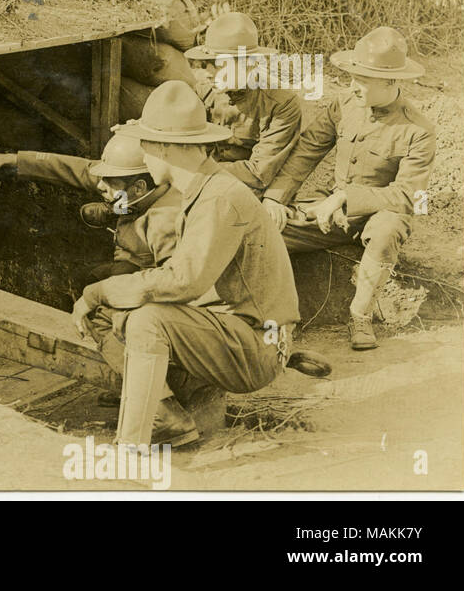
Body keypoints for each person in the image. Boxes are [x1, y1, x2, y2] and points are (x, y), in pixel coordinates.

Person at [72, 81, 301, 448]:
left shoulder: (219, 198)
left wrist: (97, 291)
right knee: (122, 311)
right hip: (242, 331)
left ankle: (131, 446)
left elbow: (183, 281)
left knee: (147, 319)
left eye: (145, 147)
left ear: (164, 147)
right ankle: (168, 414)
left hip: (259, 346)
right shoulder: (205, 189)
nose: (143, 157)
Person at [261, 27, 436, 350]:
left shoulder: (418, 130)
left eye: (362, 81)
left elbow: (411, 196)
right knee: (265, 228)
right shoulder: (343, 106)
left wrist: (344, 196)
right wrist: (274, 199)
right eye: (352, 78)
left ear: (390, 82)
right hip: (332, 213)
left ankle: (361, 316)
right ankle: (278, 320)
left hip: (379, 215)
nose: (353, 87)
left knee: (388, 228)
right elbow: (306, 151)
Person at [0, 133, 180, 283]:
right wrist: (8, 160)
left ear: (139, 188)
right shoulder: (132, 184)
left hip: (145, 275)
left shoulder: (165, 222)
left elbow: (175, 285)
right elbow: (74, 169)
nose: (99, 185)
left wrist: (106, 295)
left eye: (108, 181)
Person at [185, 12, 302, 195]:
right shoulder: (201, 91)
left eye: (218, 64)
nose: (208, 72)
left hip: (245, 189)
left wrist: (198, 170)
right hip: (198, 178)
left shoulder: (280, 104)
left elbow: (259, 173)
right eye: (206, 63)